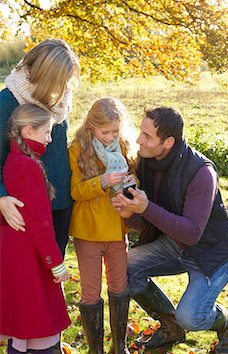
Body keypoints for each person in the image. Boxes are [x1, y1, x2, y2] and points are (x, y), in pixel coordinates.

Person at [112, 106, 228, 354]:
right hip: (175, 244)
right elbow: (152, 221)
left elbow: (192, 232)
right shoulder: (147, 162)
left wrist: (146, 207)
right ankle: (171, 326)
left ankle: (225, 321)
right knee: (124, 269)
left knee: (192, 317)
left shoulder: (201, 172)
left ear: (168, 142)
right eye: (141, 132)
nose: (139, 140)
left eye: (147, 136)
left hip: (212, 253)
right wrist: (130, 215)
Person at [68, 97, 138, 354]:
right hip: (88, 232)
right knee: (91, 292)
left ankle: (119, 347)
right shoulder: (77, 148)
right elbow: (75, 191)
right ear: (90, 126)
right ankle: (95, 349)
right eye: (104, 132)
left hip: (117, 229)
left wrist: (132, 182)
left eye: (115, 131)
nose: (110, 137)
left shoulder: (123, 146)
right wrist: (103, 181)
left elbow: (134, 178)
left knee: (119, 288)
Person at [0, 103, 71, 354]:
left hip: (16, 253)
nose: (50, 139)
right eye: (47, 132)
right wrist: (55, 262)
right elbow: (40, 223)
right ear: (29, 131)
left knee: (22, 325)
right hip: (31, 257)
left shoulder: (13, 159)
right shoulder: (27, 165)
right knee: (37, 322)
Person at [0, 38, 80, 255]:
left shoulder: (59, 104)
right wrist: (1, 197)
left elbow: (59, 154)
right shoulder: (8, 102)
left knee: (54, 278)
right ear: (44, 75)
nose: (64, 87)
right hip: (24, 209)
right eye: (60, 80)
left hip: (60, 208)